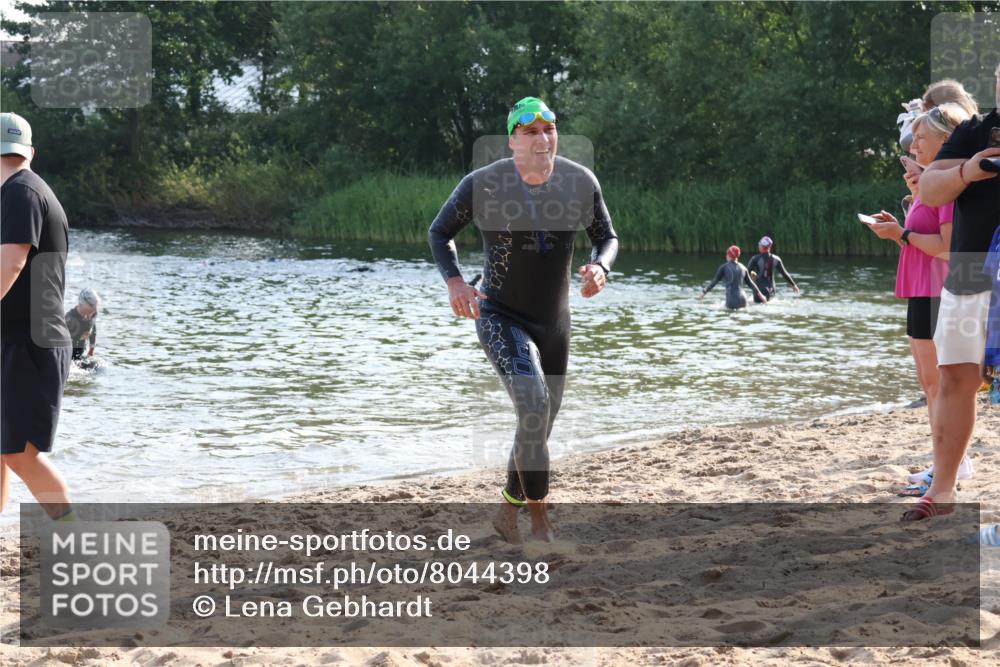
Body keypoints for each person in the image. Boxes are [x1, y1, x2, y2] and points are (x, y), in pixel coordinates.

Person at [429, 97, 618, 544]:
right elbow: (440, 232)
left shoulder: (579, 182)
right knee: (533, 409)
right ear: (512, 140)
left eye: (548, 128)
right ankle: (541, 525)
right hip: (499, 315)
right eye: (530, 130)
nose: (542, 137)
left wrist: (601, 267)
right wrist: (455, 282)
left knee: (539, 422)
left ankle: (508, 510)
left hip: (555, 323)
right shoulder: (484, 184)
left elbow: (606, 236)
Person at [902, 63, 1000, 521]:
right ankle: (942, 493)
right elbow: (934, 188)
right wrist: (969, 169)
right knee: (958, 376)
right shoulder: (976, 131)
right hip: (968, 270)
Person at [862, 104, 974, 496]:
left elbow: (946, 247)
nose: (914, 144)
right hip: (921, 290)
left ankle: (949, 467)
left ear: (947, 140)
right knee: (931, 385)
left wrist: (900, 235)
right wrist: (903, 219)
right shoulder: (930, 186)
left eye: (923, 137)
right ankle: (946, 462)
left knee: (939, 385)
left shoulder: (944, 186)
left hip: (938, 289)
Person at [0, 112, 75, 521]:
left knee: (18, 454)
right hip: (22, 337)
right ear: (30, 151)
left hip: (29, 341)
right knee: (3, 450)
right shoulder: (26, 188)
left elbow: (10, 264)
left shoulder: (19, 193)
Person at [700, 245, 767, 309]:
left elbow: (715, 281)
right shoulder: (743, 268)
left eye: (727, 253)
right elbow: (751, 283)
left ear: (729, 255)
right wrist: (761, 296)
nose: (726, 255)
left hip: (731, 301)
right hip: (743, 300)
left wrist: (704, 292)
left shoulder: (724, 267)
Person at [745, 236, 799, 302]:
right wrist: (794, 285)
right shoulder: (777, 259)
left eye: (759, 245)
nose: (759, 246)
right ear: (769, 247)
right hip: (772, 289)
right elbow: (784, 274)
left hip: (759, 289)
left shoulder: (755, 259)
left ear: (762, 246)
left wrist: (752, 275)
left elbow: (745, 274)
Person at [65, 287, 99, 361]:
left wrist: (91, 350)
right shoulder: (70, 319)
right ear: (82, 304)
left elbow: (93, 330)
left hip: (80, 355)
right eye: (91, 308)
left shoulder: (93, 314)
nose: (94, 311)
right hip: (67, 356)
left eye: (95, 309)